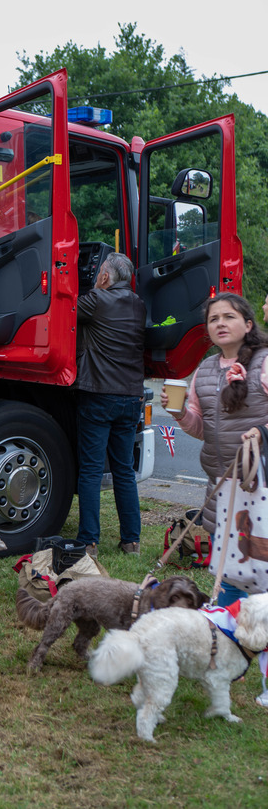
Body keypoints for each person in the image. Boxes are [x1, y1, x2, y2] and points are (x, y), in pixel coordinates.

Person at [161, 292, 268, 706]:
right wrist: (178, 414)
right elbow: (201, 428)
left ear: (247, 324)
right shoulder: (205, 371)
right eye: (213, 319)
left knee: (263, 581)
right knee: (230, 576)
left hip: (262, 488)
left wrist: (262, 433)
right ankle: (228, 659)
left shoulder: (263, 362)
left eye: (229, 316)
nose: (220, 323)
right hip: (223, 488)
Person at [74, 252, 146, 557]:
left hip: (99, 394)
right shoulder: (138, 304)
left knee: (91, 471)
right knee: (124, 470)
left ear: (105, 276)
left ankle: (89, 542)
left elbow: (64, 310)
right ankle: (131, 541)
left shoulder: (95, 300)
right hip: (131, 397)